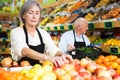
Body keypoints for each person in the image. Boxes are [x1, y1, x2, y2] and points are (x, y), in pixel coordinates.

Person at [10, 0, 73, 67]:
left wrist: (62, 54)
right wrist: (47, 57)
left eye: (37, 13)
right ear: (23, 15)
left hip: (38, 71)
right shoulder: (16, 32)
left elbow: (53, 49)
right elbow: (23, 50)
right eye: (30, 13)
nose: (34, 17)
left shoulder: (42, 33)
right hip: (19, 71)